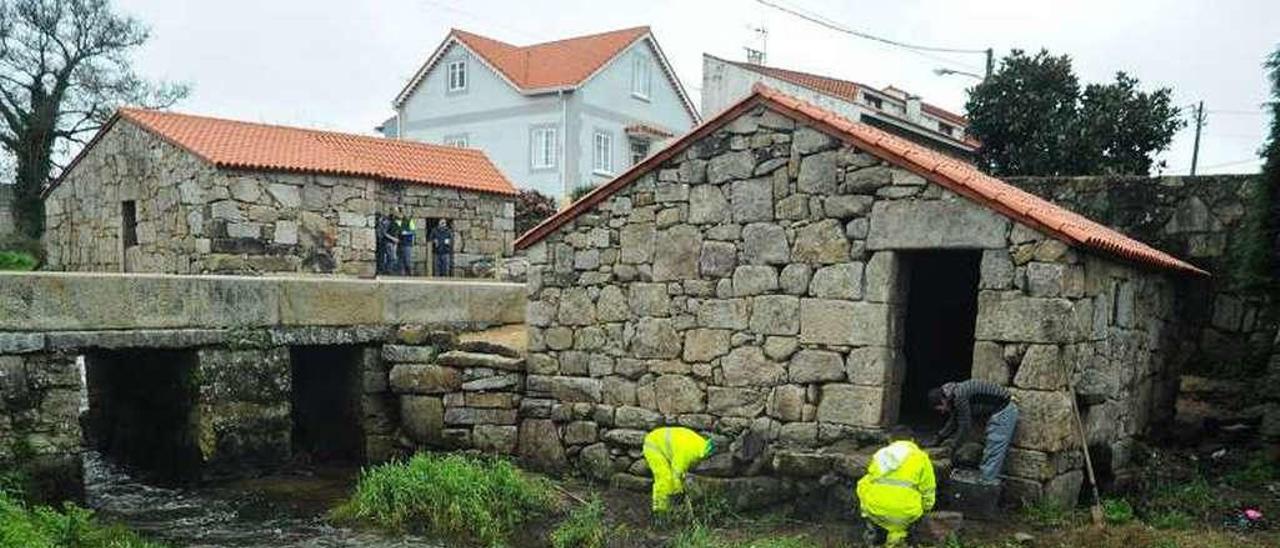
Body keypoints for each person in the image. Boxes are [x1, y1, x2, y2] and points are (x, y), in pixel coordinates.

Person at [856, 427, 936, 547]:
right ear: (912, 440)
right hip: (906, 513)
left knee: (864, 482)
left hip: (876, 509)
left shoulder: (880, 454)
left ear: (890, 440)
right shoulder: (921, 457)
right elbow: (928, 488)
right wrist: (926, 507)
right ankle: (898, 538)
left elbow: (871, 478)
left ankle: (872, 531)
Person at [929, 379, 1019, 483]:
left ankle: (985, 487)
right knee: (990, 452)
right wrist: (939, 437)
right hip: (998, 410)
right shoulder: (953, 393)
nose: (942, 411)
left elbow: (965, 426)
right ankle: (985, 482)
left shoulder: (960, 396)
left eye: (940, 408)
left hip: (1004, 411)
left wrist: (953, 447)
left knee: (992, 453)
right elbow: (953, 421)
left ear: (943, 400)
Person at [642, 426, 715, 514]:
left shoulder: (701, 445)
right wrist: (679, 491)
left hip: (662, 442)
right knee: (664, 478)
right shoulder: (690, 453)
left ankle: (669, 507)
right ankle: (660, 510)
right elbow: (676, 472)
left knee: (670, 480)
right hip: (654, 445)